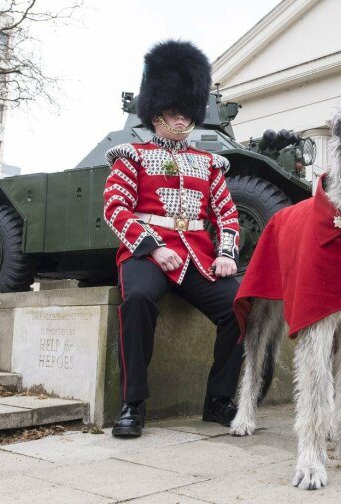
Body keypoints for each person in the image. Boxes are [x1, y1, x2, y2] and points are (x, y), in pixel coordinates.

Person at [104, 40, 243, 438]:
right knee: (139, 300)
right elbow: (116, 209)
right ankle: (133, 404)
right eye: (171, 114)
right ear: (155, 113)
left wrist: (227, 252)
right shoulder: (131, 155)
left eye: (186, 114)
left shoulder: (209, 163)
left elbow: (227, 213)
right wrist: (153, 247)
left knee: (240, 306)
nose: (180, 122)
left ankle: (217, 400)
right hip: (146, 254)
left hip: (197, 257)